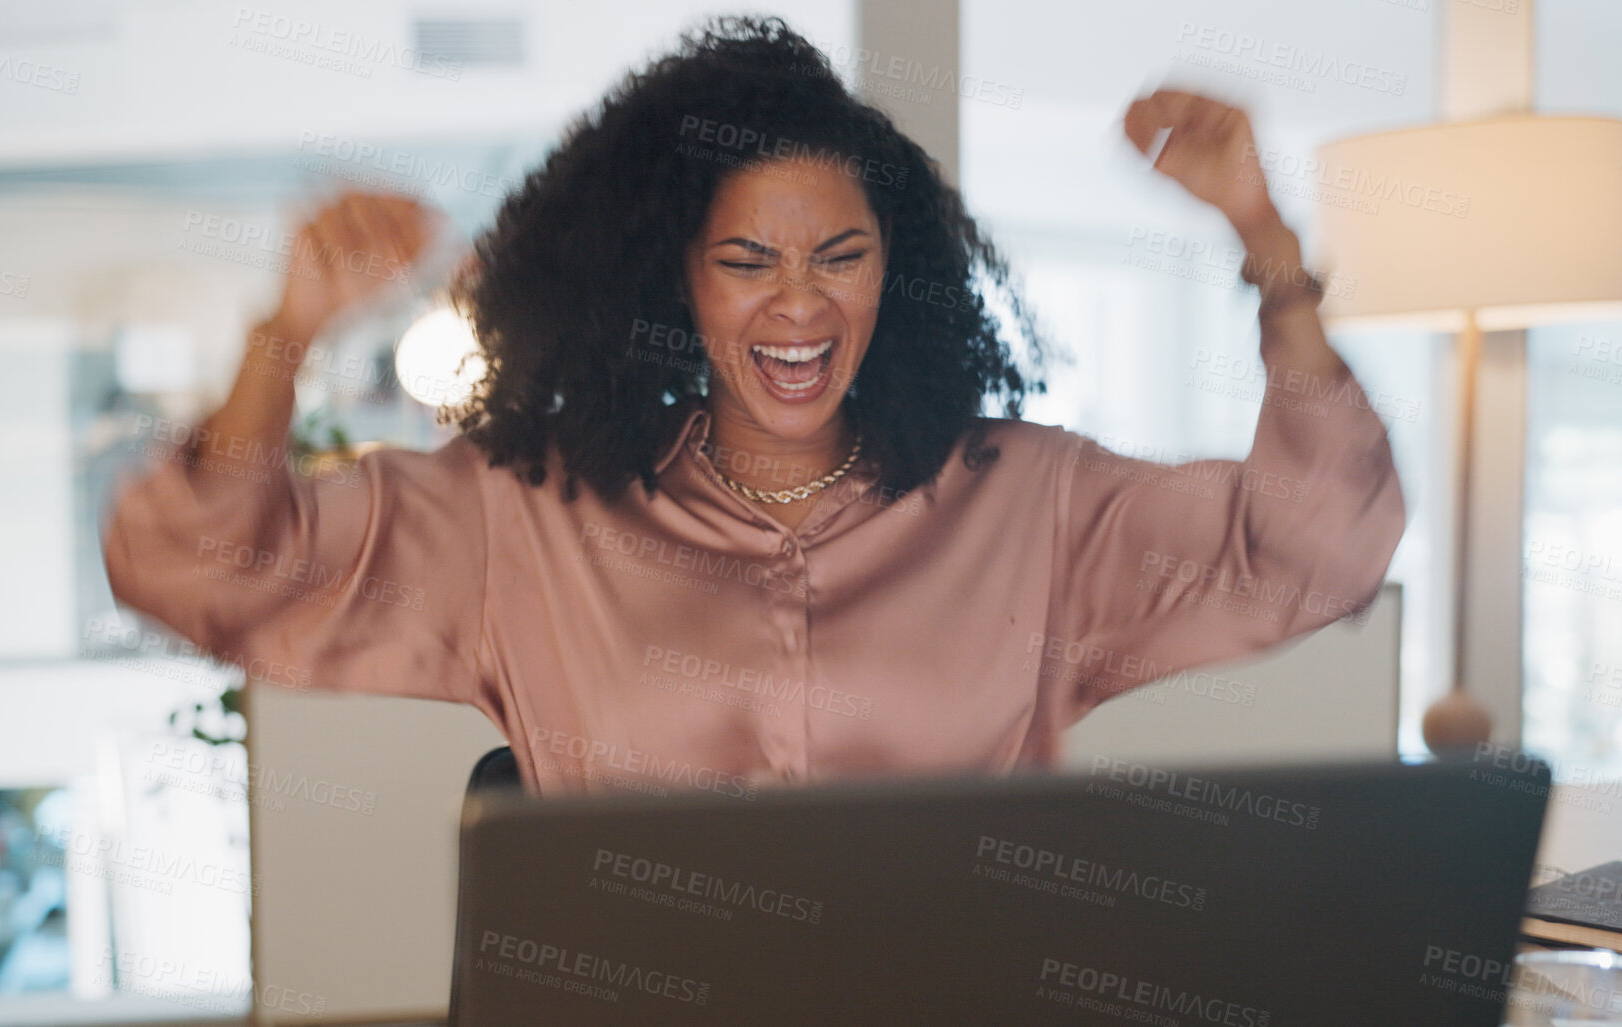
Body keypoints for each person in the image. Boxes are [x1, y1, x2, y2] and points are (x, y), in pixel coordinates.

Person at [103, 17, 1405, 798]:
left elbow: (1313, 552)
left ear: (898, 274)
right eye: (747, 263)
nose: (802, 309)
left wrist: (1270, 246)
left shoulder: (1033, 505)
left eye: (841, 257)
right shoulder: (527, 517)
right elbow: (194, 566)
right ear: (671, 278)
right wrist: (282, 340)